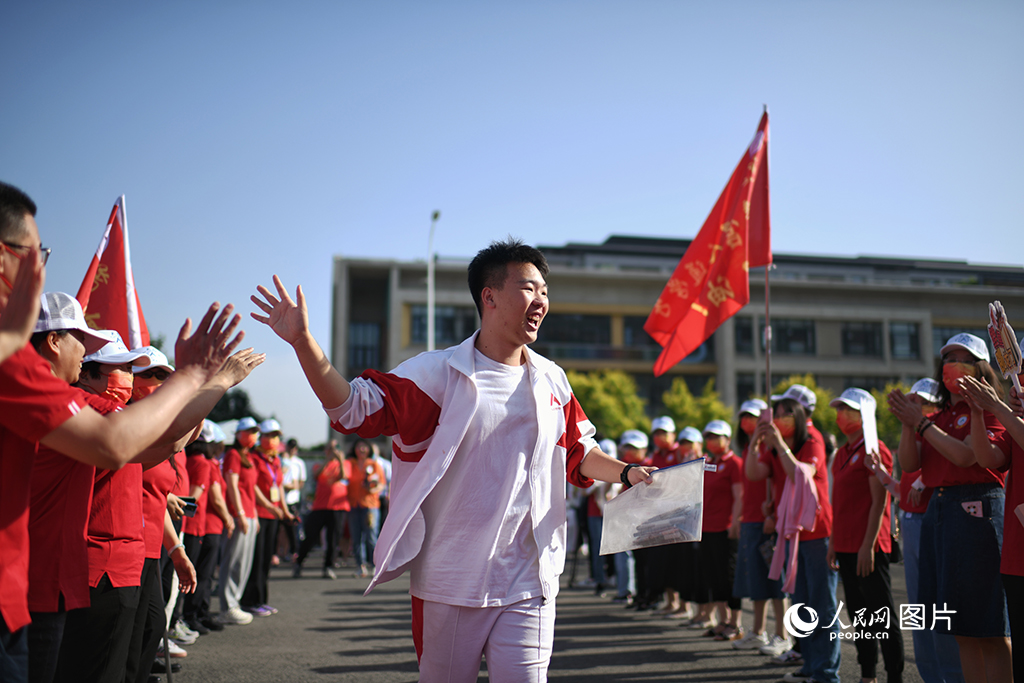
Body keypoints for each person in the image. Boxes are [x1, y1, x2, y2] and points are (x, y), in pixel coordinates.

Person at [251, 238, 655, 680]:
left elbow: (579, 451)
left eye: (544, 291)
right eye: (528, 288)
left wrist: (628, 473)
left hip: (528, 578)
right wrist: (305, 343)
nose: (540, 301)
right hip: (449, 580)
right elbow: (352, 409)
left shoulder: (551, 381)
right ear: (490, 296)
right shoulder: (435, 376)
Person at [0, 181, 244, 682]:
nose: (39, 268)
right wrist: (195, 379)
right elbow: (118, 445)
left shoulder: (24, 370)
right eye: (35, 253)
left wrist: (200, 385)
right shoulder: (16, 369)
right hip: (49, 583)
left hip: (52, 583)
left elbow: (149, 443)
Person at [887, 333, 1012, 682]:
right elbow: (911, 465)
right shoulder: (941, 415)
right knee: (960, 628)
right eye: (948, 358)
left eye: (962, 358)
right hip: (941, 513)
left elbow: (966, 455)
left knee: (988, 627)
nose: (951, 365)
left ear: (981, 367)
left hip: (977, 510)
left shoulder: (989, 411)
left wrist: (922, 423)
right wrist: (908, 424)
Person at [867, 378, 965, 683]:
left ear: (937, 405)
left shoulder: (943, 430)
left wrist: (927, 478)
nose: (917, 406)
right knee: (919, 608)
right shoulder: (913, 434)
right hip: (911, 523)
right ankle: (930, 675)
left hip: (934, 522)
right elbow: (902, 488)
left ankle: (951, 675)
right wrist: (883, 476)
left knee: (941, 607)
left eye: (923, 402)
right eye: (913, 401)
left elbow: (958, 462)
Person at [749, 384, 840, 683]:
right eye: (776, 413)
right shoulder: (780, 442)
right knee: (801, 604)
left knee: (822, 606)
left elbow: (801, 475)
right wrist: (755, 443)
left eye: (783, 412)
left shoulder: (812, 439)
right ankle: (810, 666)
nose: (777, 417)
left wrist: (778, 444)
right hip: (793, 534)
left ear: (800, 413)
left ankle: (826, 673)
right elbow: (753, 473)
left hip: (816, 532)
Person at [827, 388, 904, 683]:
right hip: (846, 546)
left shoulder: (875, 449)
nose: (840, 415)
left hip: (869, 547)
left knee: (882, 616)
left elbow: (880, 501)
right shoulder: (842, 453)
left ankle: (894, 676)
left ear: (863, 416)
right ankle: (867, 674)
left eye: (848, 409)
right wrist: (834, 543)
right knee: (861, 617)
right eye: (839, 409)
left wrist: (867, 546)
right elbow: (839, 503)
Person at [955, 371, 1023, 683]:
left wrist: (998, 409)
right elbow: (987, 458)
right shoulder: (1013, 420)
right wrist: (979, 413)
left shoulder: (1011, 417)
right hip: (1016, 554)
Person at [731, 399, 790, 656]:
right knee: (756, 582)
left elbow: (778, 483)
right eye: (743, 416)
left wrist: (773, 514)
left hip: (769, 522)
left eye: (752, 417)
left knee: (776, 582)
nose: (747, 422)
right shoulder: (748, 448)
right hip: (751, 520)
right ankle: (757, 631)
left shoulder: (772, 448)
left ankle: (783, 635)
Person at [241, 418, 295, 616]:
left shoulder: (276, 459)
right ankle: (249, 601)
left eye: (275, 436)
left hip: (273, 515)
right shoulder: (254, 457)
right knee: (257, 558)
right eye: (268, 436)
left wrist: (285, 509)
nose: (272, 440)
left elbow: (278, 486)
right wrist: (269, 506)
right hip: (259, 513)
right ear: (260, 437)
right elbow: (252, 486)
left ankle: (261, 600)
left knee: (266, 559)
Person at [698, 419, 744, 641]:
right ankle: (722, 621)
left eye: (717, 437)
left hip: (726, 529)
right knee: (712, 575)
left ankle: (736, 623)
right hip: (706, 528)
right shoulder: (706, 462)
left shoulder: (735, 463)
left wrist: (735, 522)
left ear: (727, 439)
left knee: (728, 576)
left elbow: (739, 496)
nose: (712, 441)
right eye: (708, 436)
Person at [219, 417, 262, 625]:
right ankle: (228, 606)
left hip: (250, 514)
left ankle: (234, 602)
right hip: (241, 514)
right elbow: (232, 485)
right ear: (238, 434)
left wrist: (255, 512)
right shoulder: (233, 455)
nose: (252, 435)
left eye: (254, 432)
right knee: (233, 560)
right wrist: (241, 513)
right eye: (248, 431)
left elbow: (252, 488)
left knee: (244, 562)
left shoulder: (249, 456)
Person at [294, 440, 351, 579]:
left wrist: (340, 460)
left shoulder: (346, 464)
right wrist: (327, 460)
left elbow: (343, 476)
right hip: (320, 506)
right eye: (329, 448)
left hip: (338, 507)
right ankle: (299, 562)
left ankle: (328, 566)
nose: (332, 451)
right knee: (310, 536)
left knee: (333, 538)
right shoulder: (319, 465)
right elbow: (316, 475)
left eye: (335, 448)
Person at [347, 439, 386, 579]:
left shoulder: (374, 465)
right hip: (353, 504)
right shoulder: (350, 464)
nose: (361, 449)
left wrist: (373, 488)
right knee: (356, 537)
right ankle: (360, 566)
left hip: (370, 505)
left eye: (364, 447)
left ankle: (376, 566)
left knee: (371, 536)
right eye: (359, 447)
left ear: (368, 449)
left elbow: (382, 484)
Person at [280, 438, 307, 558]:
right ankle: (280, 552)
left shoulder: (299, 462)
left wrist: (293, 487)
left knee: (292, 528)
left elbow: (300, 482)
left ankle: (293, 552)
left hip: (292, 499)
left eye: (294, 448)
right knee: (280, 530)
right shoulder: (281, 460)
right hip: (280, 499)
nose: (292, 450)